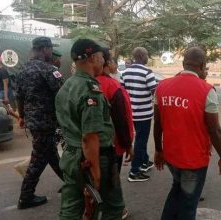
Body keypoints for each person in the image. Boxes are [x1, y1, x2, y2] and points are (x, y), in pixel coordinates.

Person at [154, 47, 221, 220]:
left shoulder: (162, 87)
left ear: (183, 64)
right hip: (193, 160)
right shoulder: (207, 90)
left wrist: (158, 150)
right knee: (189, 204)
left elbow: (158, 123)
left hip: (171, 156)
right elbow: (214, 129)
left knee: (177, 189)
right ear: (203, 66)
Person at [56, 39, 125, 219]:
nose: (104, 61)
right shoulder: (90, 90)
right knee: (114, 207)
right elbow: (89, 136)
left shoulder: (67, 86)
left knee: (71, 208)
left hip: (71, 156)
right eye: (102, 57)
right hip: (94, 156)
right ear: (93, 57)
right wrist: (95, 170)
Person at [16, 37, 64, 209]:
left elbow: (19, 97)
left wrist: (22, 116)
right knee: (38, 158)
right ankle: (26, 196)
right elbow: (62, 95)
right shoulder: (49, 69)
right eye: (50, 48)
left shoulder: (23, 70)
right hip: (47, 122)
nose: (51, 52)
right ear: (44, 49)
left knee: (50, 153)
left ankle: (71, 183)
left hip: (33, 121)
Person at [97, 48, 134, 219]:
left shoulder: (86, 83)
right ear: (106, 63)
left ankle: (98, 207)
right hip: (112, 144)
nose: (115, 64)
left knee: (98, 178)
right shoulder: (112, 86)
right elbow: (120, 119)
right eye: (113, 61)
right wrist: (128, 145)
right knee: (112, 179)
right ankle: (114, 210)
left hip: (91, 144)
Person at [121, 47, 157, 182]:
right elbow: (155, 92)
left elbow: (123, 92)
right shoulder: (147, 72)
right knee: (141, 141)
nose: (148, 57)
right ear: (142, 56)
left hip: (131, 113)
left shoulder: (125, 72)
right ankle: (134, 171)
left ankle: (144, 162)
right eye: (147, 55)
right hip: (144, 114)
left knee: (140, 139)